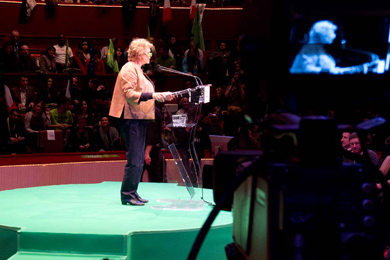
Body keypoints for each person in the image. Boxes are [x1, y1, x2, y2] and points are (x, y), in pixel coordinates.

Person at [109, 38, 174, 206]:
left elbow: (144, 93)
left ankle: (132, 191)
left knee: (138, 159)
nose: (151, 54)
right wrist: (154, 95)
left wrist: (161, 95)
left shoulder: (138, 70)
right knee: (135, 159)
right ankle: (127, 194)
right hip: (131, 118)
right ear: (139, 53)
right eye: (148, 51)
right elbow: (130, 94)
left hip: (139, 117)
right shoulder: (129, 68)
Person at [290, 20, 380, 74]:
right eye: (331, 32)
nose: (333, 36)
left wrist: (358, 69)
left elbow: (333, 71)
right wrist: (355, 69)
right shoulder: (310, 48)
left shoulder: (318, 48)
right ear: (322, 34)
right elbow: (307, 70)